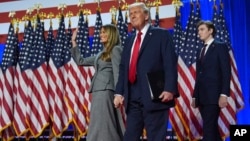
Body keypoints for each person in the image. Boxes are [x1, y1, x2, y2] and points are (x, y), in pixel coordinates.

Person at [113, 2, 178, 141]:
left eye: (136, 12)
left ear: (146, 15)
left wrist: (169, 89)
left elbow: (170, 63)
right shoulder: (129, 40)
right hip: (133, 98)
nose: (132, 16)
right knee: (130, 137)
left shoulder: (161, 35)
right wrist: (119, 92)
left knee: (155, 137)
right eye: (130, 14)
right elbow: (124, 68)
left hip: (156, 95)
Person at [70, 24, 124, 141]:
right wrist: (74, 42)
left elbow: (117, 72)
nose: (101, 35)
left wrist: (118, 94)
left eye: (104, 32)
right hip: (98, 90)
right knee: (98, 121)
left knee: (105, 121)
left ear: (112, 35)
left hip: (106, 90)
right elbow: (81, 61)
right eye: (101, 32)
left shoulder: (116, 49)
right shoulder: (101, 53)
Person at [191, 20, 231, 141]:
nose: (199, 32)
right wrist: (195, 96)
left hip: (214, 96)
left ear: (211, 31)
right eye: (198, 30)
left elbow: (226, 72)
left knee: (208, 128)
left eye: (202, 29)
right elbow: (199, 75)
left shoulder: (220, 46)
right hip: (202, 96)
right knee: (212, 128)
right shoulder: (200, 50)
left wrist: (224, 94)